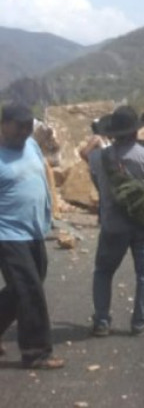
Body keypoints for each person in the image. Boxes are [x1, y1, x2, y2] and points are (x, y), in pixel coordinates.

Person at [86, 105, 144, 336]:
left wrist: (96, 139)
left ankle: (101, 321)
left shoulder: (99, 157)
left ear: (112, 133)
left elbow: (89, 160)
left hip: (112, 226)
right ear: (136, 132)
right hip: (142, 224)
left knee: (103, 272)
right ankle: (139, 323)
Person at [0, 103, 64, 370]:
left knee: (24, 286)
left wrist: (53, 206)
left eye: (27, 129)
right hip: (8, 234)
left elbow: (44, 170)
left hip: (35, 229)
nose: (24, 133)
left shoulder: (31, 146)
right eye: (18, 128)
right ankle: (36, 352)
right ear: (3, 125)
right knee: (30, 290)